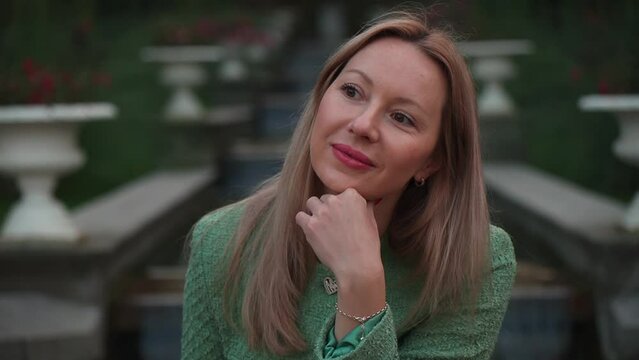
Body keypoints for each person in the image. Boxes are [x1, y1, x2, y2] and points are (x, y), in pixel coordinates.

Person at [181, 10, 516, 360]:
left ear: (433, 161)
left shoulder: (474, 259)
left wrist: (361, 283)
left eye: (401, 117)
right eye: (352, 91)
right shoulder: (220, 242)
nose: (363, 124)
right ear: (321, 97)